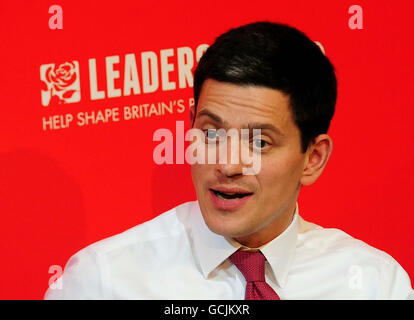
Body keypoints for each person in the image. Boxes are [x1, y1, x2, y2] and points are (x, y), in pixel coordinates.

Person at [44, 21, 413, 300]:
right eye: (212, 133)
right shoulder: (103, 280)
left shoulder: (375, 284)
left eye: (259, 142)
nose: (228, 164)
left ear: (312, 159)